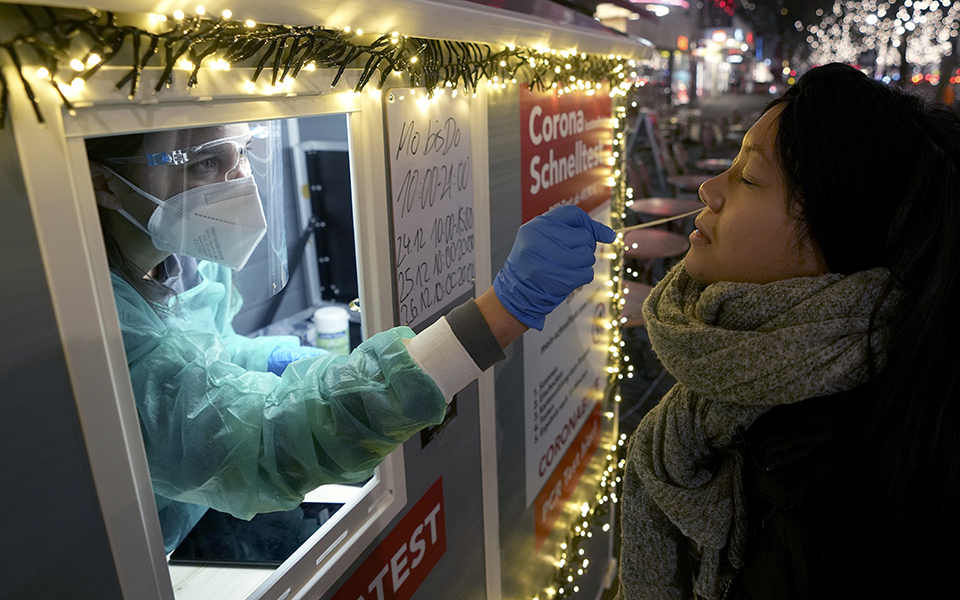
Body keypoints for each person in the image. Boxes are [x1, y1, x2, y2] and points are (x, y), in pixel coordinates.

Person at [85, 123, 616, 553]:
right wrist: (502, 313)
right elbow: (264, 445)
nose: (237, 183)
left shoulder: (184, 262)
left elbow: (206, 354)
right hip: (144, 549)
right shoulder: (97, 322)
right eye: (204, 162)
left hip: (204, 507)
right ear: (105, 182)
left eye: (242, 153)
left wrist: (273, 356)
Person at [616, 63, 960, 600]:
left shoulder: (839, 488)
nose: (709, 189)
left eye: (749, 177)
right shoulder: (741, 399)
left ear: (835, 240)